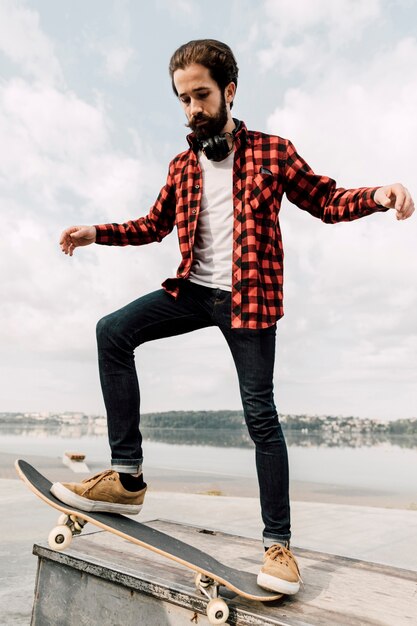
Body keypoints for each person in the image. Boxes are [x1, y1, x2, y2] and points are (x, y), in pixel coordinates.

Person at [53, 39, 414, 595]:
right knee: (112, 332)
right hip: (194, 292)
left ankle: (279, 546)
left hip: (250, 300)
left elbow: (325, 199)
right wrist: (95, 233)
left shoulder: (272, 152)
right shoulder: (182, 165)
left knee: (260, 416)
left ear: (229, 91)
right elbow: (153, 224)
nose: (193, 108)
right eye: (183, 99)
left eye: (201, 95)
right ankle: (127, 479)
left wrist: (378, 194)